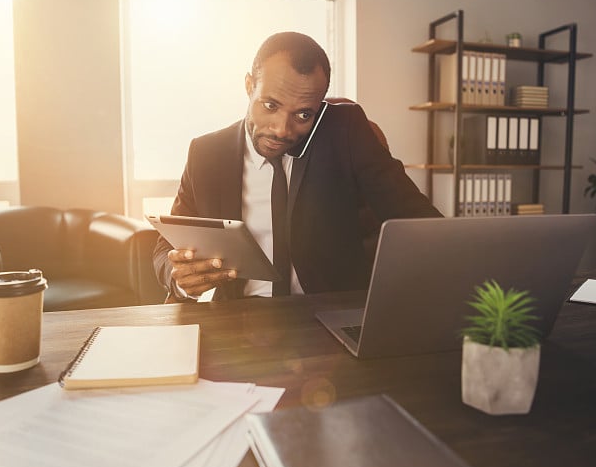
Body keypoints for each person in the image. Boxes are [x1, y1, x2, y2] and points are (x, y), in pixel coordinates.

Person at [153, 31, 441, 302]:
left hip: (329, 313)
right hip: (239, 316)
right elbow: (165, 246)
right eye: (270, 106)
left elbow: (417, 221)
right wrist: (180, 279)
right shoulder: (207, 153)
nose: (282, 130)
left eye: (303, 114)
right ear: (249, 85)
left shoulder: (346, 132)